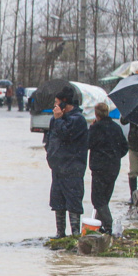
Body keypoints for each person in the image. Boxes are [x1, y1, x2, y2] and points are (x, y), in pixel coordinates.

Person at [45, 85, 89, 237]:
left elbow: (66, 135)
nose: (54, 106)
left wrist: (58, 120)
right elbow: (50, 138)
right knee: (57, 201)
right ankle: (60, 233)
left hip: (72, 167)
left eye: (57, 103)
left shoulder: (78, 120)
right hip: (58, 167)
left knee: (73, 201)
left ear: (65, 103)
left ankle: (75, 233)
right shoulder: (55, 119)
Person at [87, 102, 128, 234]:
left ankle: (108, 225)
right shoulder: (116, 127)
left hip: (99, 168)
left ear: (96, 114)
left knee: (97, 200)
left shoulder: (96, 128)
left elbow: (87, 144)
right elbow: (124, 147)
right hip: (114, 168)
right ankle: (100, 226)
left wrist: (91, 128)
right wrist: (115, 157)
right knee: (105, 198)